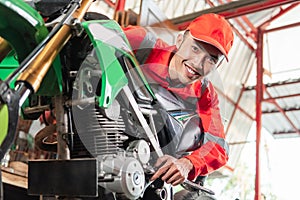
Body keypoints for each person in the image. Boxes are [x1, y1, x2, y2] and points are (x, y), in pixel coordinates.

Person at [123, 13, 234, 186]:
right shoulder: (145, 45)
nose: (198, 64)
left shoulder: (206, 94)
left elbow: (218, 147)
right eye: (196, 49)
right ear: (180, 40)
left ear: (217, 66)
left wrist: (187, 164)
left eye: (211, 60)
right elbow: (99, 33)